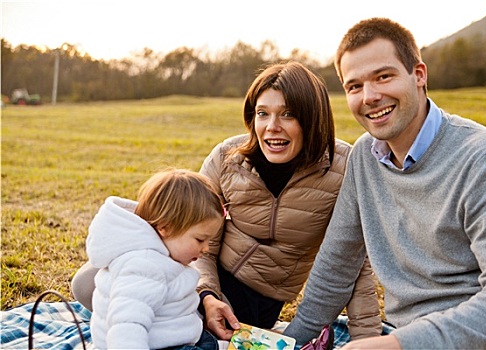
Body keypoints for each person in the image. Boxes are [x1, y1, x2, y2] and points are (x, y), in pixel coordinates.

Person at [72, 61, 383, 343]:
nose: (271, 127)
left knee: (142, 305)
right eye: (263, 113)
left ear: (312, 119)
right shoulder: (226, 157)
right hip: (200, 273)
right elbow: (195, 230)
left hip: (256, 300)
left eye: (288, 114)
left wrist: (367, 339)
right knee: (89, 282)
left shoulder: (343, 169)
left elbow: (354, 261)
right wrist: (207, 294)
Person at [283, 17, 486, 349]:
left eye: (383, 77)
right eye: (354, 86)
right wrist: (286, 343)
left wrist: (397, 345)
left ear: (419, 75)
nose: (369, 96)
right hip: (397, 332)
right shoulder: (364, 159)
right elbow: (336, 267)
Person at [86, 168, 225, 349]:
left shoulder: (163, 255)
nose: (206, 248)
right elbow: (126, 326)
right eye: (200, 239)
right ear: (165, 228)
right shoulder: (145, 266)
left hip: (178, 336)